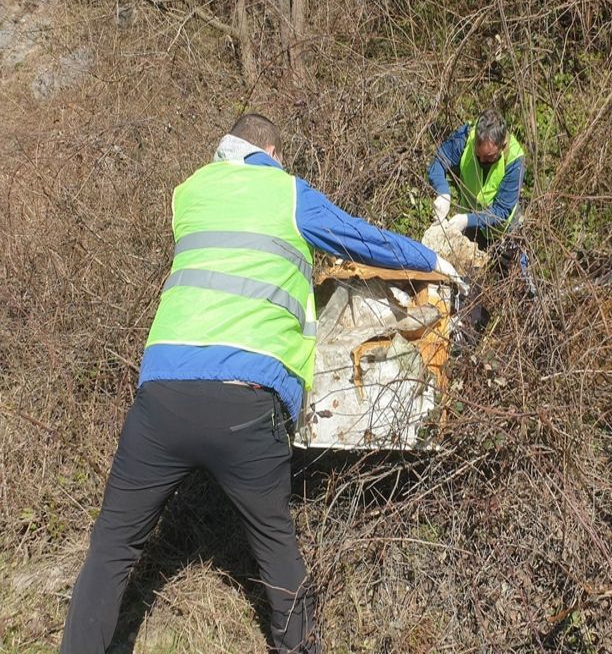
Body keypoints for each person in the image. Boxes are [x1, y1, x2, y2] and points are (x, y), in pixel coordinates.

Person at [60, 113, 463, 654]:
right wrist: (434, 260)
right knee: (275, 546)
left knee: (111, 547)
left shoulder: (190, 192)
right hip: (247, 400)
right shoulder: (284, 191)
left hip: (161, 396)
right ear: (270, 149)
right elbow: (360, 238)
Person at [427, 108, 526, 249]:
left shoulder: (515, 160)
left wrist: (467, 220)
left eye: (489, 157)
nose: (481, 160)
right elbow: (438, 162)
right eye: (478, 154)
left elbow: (501, 211)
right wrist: (443, 193)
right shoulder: (465, 138)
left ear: (502, 145)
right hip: (470, 226)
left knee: (513, 269)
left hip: (504, 232)